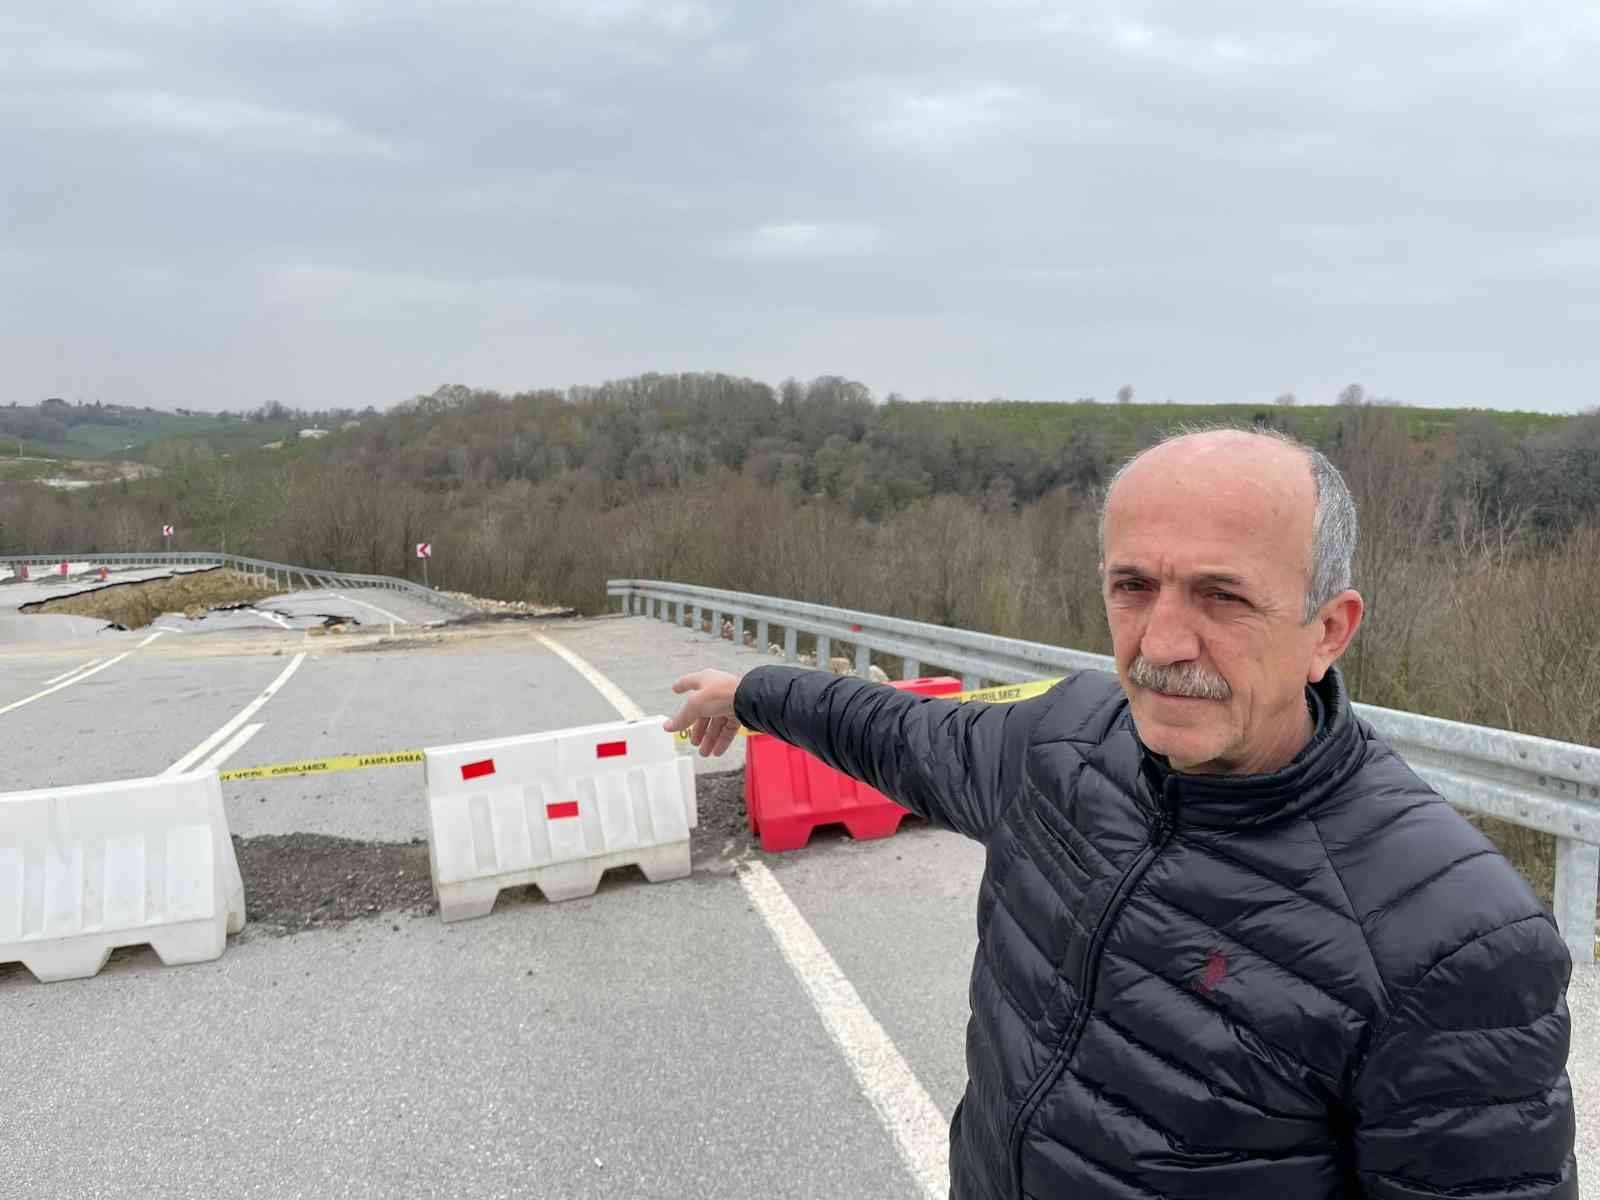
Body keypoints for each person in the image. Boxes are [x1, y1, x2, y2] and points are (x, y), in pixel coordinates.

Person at [665, 428, 1576, 1199]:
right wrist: (752, 690)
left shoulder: (1453, 944)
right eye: (1133, 587)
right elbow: (901, 733)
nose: (1163, 644)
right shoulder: (1066, 742)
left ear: (1328, 631)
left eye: (1223, 596)